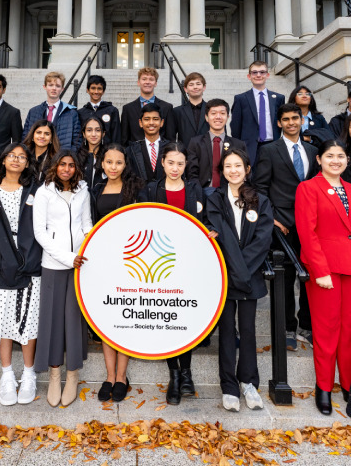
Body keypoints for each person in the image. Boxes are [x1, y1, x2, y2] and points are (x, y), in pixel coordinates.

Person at [295, 139, 351, 416]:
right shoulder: (308, 188)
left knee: (350, 330)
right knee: (326, 331)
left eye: (340, 156)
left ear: (348, 160)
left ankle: (350, 385)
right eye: (329, 156)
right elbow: (308, 233)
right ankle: (324, 388)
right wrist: (320, 271)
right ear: (319, 160)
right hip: (325, 271)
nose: (335, 160)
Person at [0, 144, 44, 407]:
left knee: (29, 322)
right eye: (12, 156)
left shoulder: (36, 190)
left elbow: (45, 224)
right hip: (3, 264)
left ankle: (28, 374)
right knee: (4, 322)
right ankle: (7, 375)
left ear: (27, 163)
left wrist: (34, 257)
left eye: (22, 157)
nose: (16, 160)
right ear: (3, 160)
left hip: (31, 263)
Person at [139, 142, 209, 405]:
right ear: (163, 163)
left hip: (188, 263)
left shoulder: (194, 189)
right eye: (171, 162)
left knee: (185, 318)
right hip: (161, 264)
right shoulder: (151, 189)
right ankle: (174, 376)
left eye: (180, 163)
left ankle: (188, 373)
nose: (175, 168)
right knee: (169, 319)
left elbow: (202, 222)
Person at [206, 149, 273, 412]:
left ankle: (248, 382)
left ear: (247, 169)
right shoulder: (214, 199)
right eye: (227, 167)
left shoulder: (260, 201)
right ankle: (229, 386)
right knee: (225, 332)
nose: (233, 170)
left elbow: (263, 240)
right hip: (224, 277)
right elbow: (221, 235)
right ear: (221, 171)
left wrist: (243, 271)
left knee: (247, 331)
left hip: (248, 277)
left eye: (238, 166)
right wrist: (236, 271)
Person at [253, 103, 318, 350]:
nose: (291, 122)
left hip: (312, 224)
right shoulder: (269, 150)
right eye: (286, 119)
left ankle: (307, 327)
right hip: (283, 225)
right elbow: (260, 187)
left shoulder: (313, 151)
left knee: (310, 277)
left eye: (295, 118)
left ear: (302, 120)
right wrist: (270, 219)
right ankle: (288, 328)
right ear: (279, 123)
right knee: (286, 278)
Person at [32, 150, 93, 407]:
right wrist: (68, 258)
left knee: (75, 321)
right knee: (54, 321)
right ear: (54, 167)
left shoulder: (83, 191)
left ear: (76, 168)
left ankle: (73, 374)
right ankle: (55, 375)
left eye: (71, 165)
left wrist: (85, 252)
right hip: (54, 265)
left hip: (80, 265)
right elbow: (40, 233)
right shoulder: (44, 192)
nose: (66, 169)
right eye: (62, 165)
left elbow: (87, 223)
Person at [89, 144, 144, 403]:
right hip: (102, 262)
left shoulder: (135, 189)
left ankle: (122, 376)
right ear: (102, 164)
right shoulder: (96, 189)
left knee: (125, 318)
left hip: (129, 263)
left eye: (118, 163)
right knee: (107, 320)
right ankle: (109, 376)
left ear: (125, 164)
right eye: (108, 162)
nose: (113, 167)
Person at [186, 98, 246, 194]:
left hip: (231, 192)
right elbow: (192, 173)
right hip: (203, 192)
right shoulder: (195, 143)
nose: (218, 117)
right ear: (206, 117)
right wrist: (199, 194)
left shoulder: (238, 144)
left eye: (222, 113)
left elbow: (244, 173)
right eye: (213, 113)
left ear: (228, 117)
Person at [230, 60, 285, 166]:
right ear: (249, 76)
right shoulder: (241, 99)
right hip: (249, 147)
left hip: (272, 145)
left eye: (262, 72)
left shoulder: (278, 98)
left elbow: (281, 122)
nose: (258, 75)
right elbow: (235, 126)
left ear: (267, 75)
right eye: (254, 72)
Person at [21, 71, 82, 150]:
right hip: (37, 157)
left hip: (61, 157)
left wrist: (69, 157)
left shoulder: (72, 113)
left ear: (62, 89)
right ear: (45, 87)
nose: (54, 88)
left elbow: (77, 140)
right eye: (50, 85)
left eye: (57, 86)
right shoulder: (33, 112)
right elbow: (26, 137)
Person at [120, 67, 176, 145]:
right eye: (144, 79)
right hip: (135, 154)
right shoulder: (128, 109)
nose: (147, 82)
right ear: (138, 82)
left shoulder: (167, 107)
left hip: (160, 153)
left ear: (155, 83)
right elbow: (124, 139)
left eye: (151, 79)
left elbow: (171, 138)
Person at [124, 103, 168, 183]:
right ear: (140, 123)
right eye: (147, 119)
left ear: (162, 122)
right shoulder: (131, 150)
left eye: (155, 119)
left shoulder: (171, 148)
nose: (151, 123)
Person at [77, 75, 121, 145]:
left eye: (99, 89)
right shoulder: (81, 113)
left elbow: (116, 135)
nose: (96, 92)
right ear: (87, 90)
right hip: (86, 153)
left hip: (107, 153)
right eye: (93, 88)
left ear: (103, 91)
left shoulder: (112, 111)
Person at [172, 72, 209, 146]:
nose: (195, 87)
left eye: (198, 84)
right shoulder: (177, 111)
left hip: (208, 153)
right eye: (191, 84)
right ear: (185, 89)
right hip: (185, 154)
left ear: (204, 87)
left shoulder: (212, 110)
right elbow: (171, 137)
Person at [77, 115, 106, 191]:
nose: (93, 134)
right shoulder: (77, 155)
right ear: (84, 134)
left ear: (103, 134)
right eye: (89, 130)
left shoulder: (108, 155)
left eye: (98, 130)